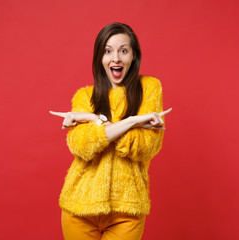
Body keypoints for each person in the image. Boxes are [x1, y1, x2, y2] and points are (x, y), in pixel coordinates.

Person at [50, 22, 172, 240]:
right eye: (108, 51)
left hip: (128, 209)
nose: (115, 58)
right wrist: (134, 121)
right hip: (79, 207)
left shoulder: (150, 88)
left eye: (123, 51)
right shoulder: (84, 96)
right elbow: (81, 145)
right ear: (100, 58)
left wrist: (93, 121)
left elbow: (146, 146)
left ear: (134, 56)